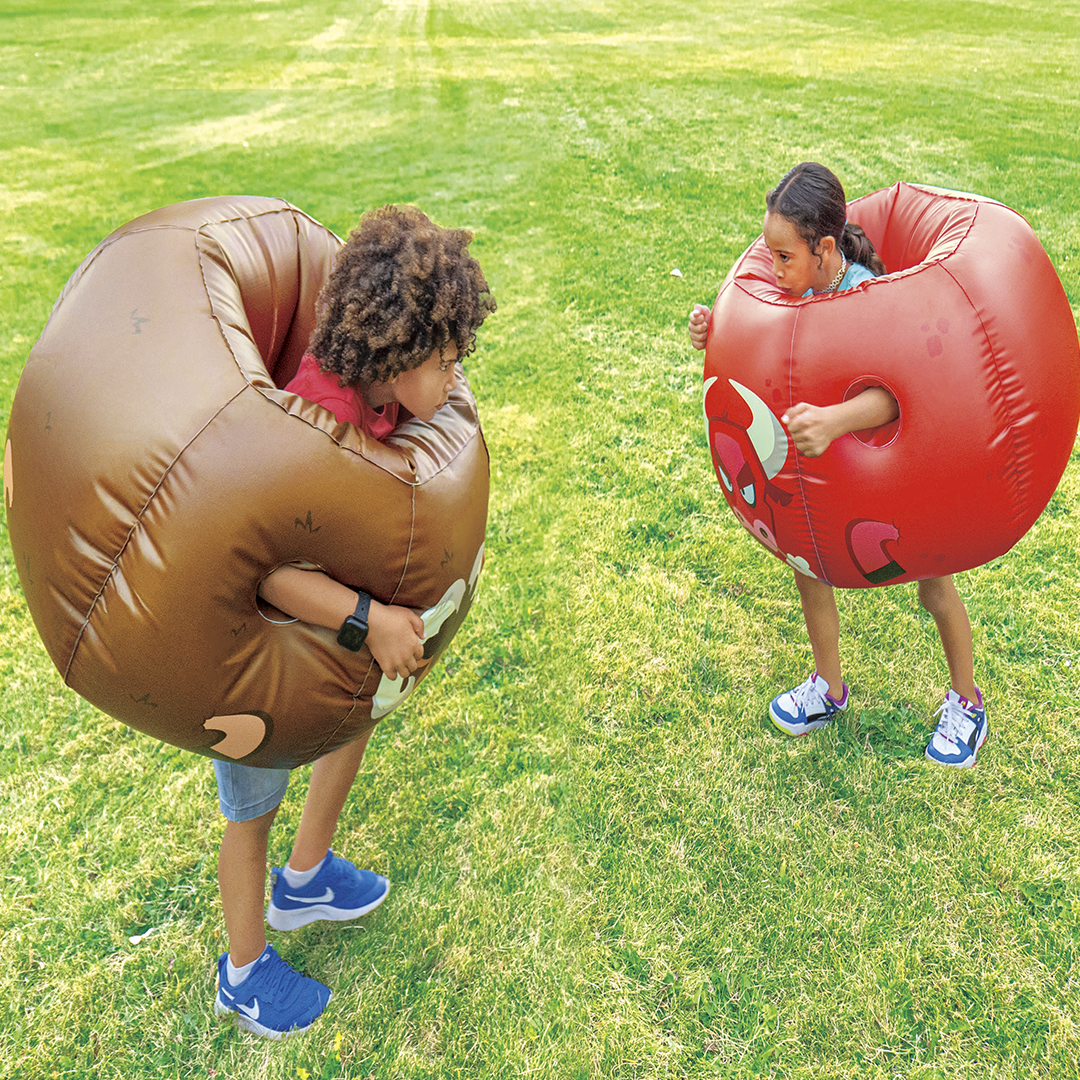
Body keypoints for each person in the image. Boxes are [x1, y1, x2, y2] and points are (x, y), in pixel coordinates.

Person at [214, 205, 496, 1038]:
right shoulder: (316, 416)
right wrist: (368, 618)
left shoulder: (390, 408)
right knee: (249, 811)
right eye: (443, 361)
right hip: (268, 653)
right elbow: (267, 570)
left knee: (352, 732)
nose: (453, 381)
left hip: (336, 654)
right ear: (395, 350)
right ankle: (243, 970)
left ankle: (305, 882)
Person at [688, 162, 986, 768]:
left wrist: (833, 420)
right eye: (768, 255)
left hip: (893, 481)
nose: (772, 270)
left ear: (825, 248)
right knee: (809, 569)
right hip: (829, 490)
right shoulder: (792, 296)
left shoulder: (862, 298)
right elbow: (761, 359)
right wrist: (713, 329)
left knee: (934, 585)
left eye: (783, 257)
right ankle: (829, 686)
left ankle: (967, 701)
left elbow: (898, 395)